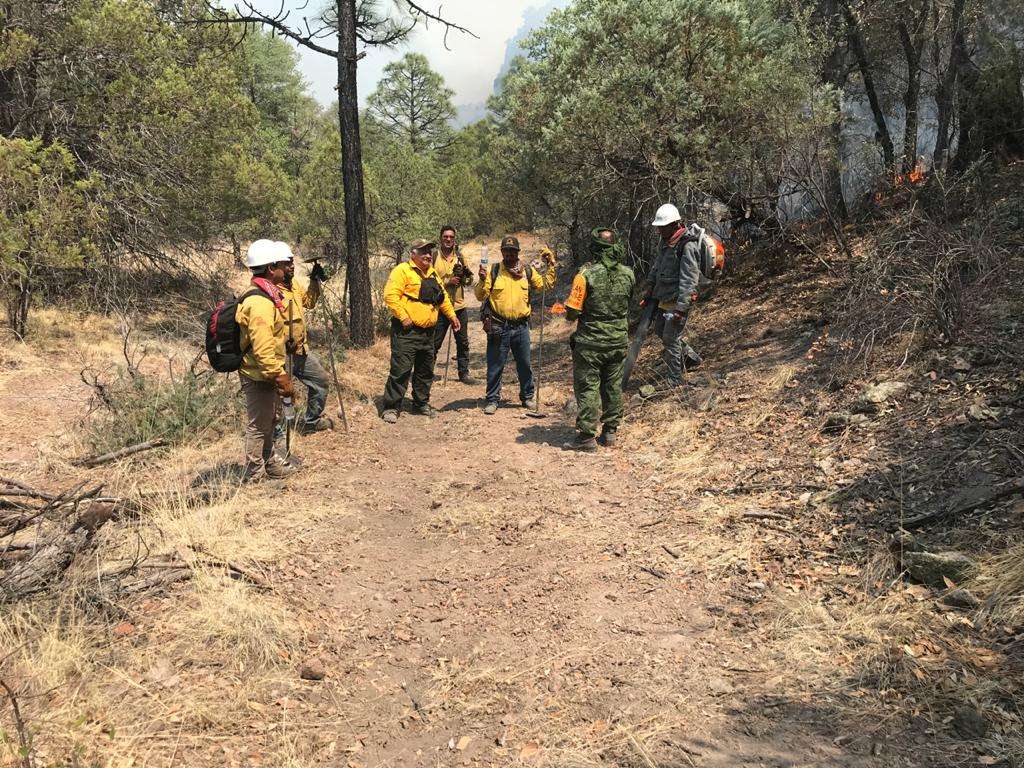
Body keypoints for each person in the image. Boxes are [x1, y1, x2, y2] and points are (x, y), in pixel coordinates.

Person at [564, 228, 635, 451]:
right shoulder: (629, 274)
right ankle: (610, 433)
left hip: (590, 345)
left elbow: (572, 313)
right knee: (613, 386)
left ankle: (586, 437)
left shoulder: (585, 275)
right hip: (617, 342)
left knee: (588, 388)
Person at [237, 239, 298, 480]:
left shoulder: (267, 296)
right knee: (258, 425)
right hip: (259, 373)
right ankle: (254, 473)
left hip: (266, 372)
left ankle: (269, 463)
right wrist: (279, 375)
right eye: (283, 264)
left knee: (270, 420)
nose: (287, 268)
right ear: (271, 268)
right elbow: (262, 350)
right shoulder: (260, 302)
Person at [381, 238, 461, 423]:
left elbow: (443, 299)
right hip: (406, 332)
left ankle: (420, 403)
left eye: (429, 251)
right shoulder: (402, 271)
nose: (427, 255)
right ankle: (391, 407)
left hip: (428, 333)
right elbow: (390, 295)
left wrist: (452, 316)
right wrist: (403, 316)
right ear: (413, 254)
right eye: (423, 251)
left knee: (425, 370)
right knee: (401, 370)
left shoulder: (433, 274)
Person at [475, 235, 556, 415]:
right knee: (495, 365)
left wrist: (551, 265)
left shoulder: (527, 271)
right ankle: (492, 399)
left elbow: (545, 285)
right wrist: (481, 280)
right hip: (498, 326)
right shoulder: (494, 270)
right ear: (502, 252)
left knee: (525, 364)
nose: (510, 254)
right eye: (506, 251)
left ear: (518, 252)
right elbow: (480, 296)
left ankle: (527, 397)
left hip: (521, 327)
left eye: (513, 251)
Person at [645, 203, 704, 388]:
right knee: (660, 331)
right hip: (664, 298)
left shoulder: (687, 246)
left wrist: (681, 308)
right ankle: (691, 358)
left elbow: (689, 280)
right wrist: (649, 289)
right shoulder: (666, 243)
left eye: (663, 227)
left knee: (670, 338)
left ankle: (674, 379)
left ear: (675, 224)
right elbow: (657, 267)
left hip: (677, 301)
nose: (659, 231)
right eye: (659, 227)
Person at [276, 244, 333, 435]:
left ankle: (311, 421)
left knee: (321, 380)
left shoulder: (295, 285)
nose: (291, 266)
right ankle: (277, 433)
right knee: (281, 393)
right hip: (280, 354)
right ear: (274, 266)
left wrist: (315, 280)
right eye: (287, 263)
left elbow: (309, 302)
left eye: (292, 262)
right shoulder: (269, 291)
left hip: (300, 350)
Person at [431, 225, 476, 384]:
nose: (448, 239)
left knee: (463, 342)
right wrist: (447, 282)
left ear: (454, 239)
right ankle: (427, 373)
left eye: (451, 237)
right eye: (445, 237)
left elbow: (469, 281)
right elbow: (428, 282)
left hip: (458, 306)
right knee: (435, 342)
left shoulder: (461, 258)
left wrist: (465, 278)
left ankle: (464, 374)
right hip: (441, 307)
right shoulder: (434, 257)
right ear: (441, 239)